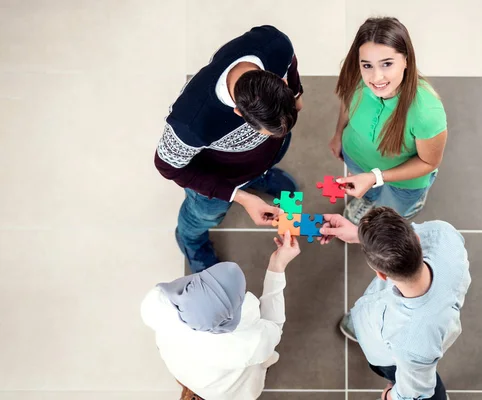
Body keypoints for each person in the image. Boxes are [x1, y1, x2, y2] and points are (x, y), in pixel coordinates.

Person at [154, 25, 304, 273]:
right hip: (218, 179)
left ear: (279, 81)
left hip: (257, 161)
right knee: (203, 217)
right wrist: (240, 196)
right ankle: (190, 241)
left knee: (270, 154)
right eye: (265, 133)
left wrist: (296, 93)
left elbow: (291, 63)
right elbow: (168, 167)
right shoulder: (190, 123)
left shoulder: (275, 44)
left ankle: (260, 176)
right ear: (239, 114)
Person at [319, 208, 470, 400]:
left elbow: (417, 389)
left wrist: (391, 396)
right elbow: (403, 243)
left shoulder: (411, 343)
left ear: (380, 274)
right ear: (416, 238)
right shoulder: (442, 234)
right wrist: (360, 234)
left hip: (391, 359)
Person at [141, 230, 301, 400]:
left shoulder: (159, 308)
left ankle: (194, 393)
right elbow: (273, 327)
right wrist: (277, 267)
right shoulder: (246, 345)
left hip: (186, 369)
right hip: (226, 391)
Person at [329, 17, 447, 224]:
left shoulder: (426, 111)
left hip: (404, 182)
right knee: (369, 193)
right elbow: (348, 104)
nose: (376, 77)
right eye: (367, 65)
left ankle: (409, 205)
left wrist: (375, 177)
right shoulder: (356, 76)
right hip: (357, 159)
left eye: (387, 64)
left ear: (406, 60)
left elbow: (429, 161)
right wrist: (339, 134)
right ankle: (369, 198)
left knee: (392, 210)